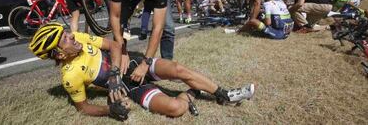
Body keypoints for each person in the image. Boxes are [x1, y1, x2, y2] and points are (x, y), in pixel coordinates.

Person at [28, 23, 255, 119]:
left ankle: (223, 94)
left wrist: (115, 73)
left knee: (176, 68)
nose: (71, 36)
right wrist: (109, 110)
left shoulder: (79, 37)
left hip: (134, 64)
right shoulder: (70, 76)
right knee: (174, 109)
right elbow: (83, 107)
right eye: (64, 39)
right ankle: (190, 93)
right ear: (58, 54)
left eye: (66, 32)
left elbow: (114, 46)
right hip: (131, 86)